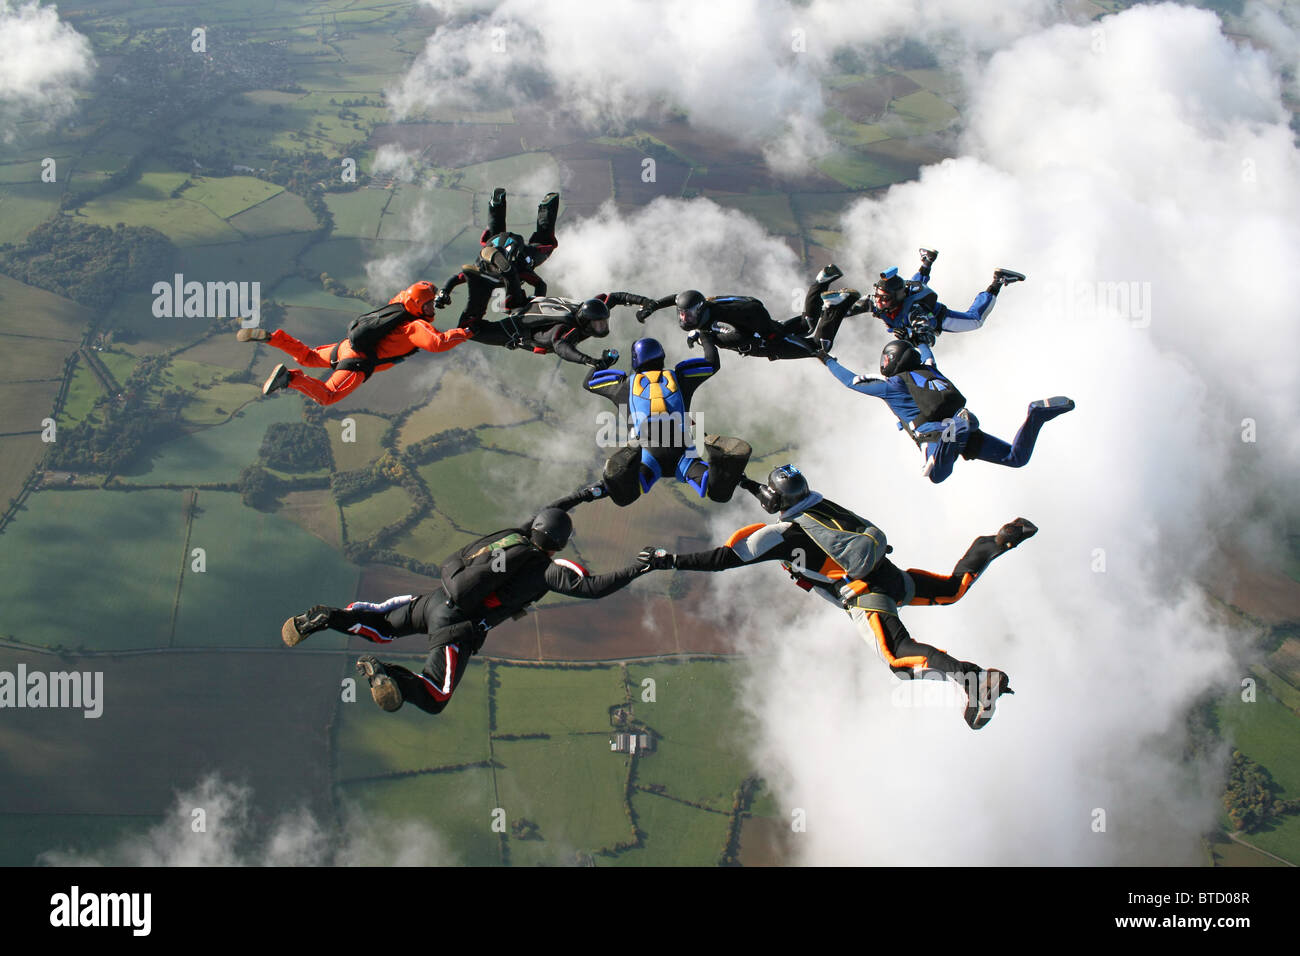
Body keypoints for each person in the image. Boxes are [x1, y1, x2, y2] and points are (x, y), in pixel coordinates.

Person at [646, 465, 1035, 729]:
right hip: (887, 573)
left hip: (866, 593)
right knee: (950, 591)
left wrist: (669, 561)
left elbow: (724, 559)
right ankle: (997, 542)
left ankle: (974, 681)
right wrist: (747, 483)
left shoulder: (784, 536)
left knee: (899, 658)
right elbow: (780, 500)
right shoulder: (816, 505)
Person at [282, 494, 671, 716]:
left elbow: (549, 509)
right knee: (435, 696)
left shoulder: (515, 537)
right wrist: (642, 565)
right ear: (559, 545)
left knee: (382, 625)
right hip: (456, 629)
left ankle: (327, 617)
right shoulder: (545, 570)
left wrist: (588, 493)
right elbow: (594, 588)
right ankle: (388, 676)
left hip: (436, 600)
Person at [823, 339, 1074, 483]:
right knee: (1015, 458)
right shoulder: (928, 369)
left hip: (935, 433)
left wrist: (826, 359)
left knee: (937, 475)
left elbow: (851, 381)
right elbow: (927, 353)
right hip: (959, 422)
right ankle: (1035, 416)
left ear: (893, 360)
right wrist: (921, 338)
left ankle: (953, 432)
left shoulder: (892, 385)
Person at [575, 336, 751, 506]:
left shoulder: (623, 385)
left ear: (636, 360)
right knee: (717, 491)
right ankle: (723, 458)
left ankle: (617, 472)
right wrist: (704, 337)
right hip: (682, 452)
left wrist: (605, 361)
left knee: (625, 495)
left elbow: (588, 382)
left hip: (647, 455)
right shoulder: (681, 377)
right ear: (662, 357)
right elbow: (713, 363)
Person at [240, 281, 471, 405]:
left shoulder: (398, 304)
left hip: (347, 346)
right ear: (417, 307)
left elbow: (414, 294)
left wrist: (438, 293)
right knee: (328, 396)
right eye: (428, 306)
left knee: (309, 356)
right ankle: (290, 379)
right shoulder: (413, 327)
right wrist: (467, 331)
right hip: (358, 363)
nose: (431, 310)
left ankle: (272, 338)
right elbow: (438, 343)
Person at [634, 265, 855, 360]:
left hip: (769, 340)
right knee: (807, 322)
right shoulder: (705, 303)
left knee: (819, 347)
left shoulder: (716, 322)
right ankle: (821, 281)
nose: (685, 318)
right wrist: (653, 306)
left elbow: (741, 337)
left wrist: (706, 339)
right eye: (682, 314)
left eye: (688, 315)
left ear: (699, 311)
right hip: (761, 320)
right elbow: (676, 298)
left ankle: (833, 307)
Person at [435, 187, 560, 328]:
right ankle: (496, 206)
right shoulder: (482, 269)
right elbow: (456, 279)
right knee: (495, 234)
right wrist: (443, 292)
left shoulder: (514, 271)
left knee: (545, 244)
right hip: (495, 244)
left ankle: (546, 207)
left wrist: (536, 303)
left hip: (516, 251)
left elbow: (540, 285)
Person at [845, 249, 1026, 345]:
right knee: (914, 285)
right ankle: (927, 261)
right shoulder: (879, 301)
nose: (879, 302)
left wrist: (910, 336)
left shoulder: (916, 313)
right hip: (908, 299)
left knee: (975, 320)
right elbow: (855, 307)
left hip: (940, 318)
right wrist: (837, 309)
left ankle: (998, 282)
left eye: (885, 298)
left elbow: (927, 337)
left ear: (896, 298)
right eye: (878, 296)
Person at [467, 292, 653, 368]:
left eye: (604, 322)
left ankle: (504, 293)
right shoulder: (567, 330)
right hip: (518, 332)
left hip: (529, 306)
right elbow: (562, 348)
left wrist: (644, 302)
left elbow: (614, 297)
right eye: (598, 324)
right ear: (587, 322)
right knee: (470, 331)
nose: (602, 327)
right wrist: (592, 362)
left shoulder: (591, 309)